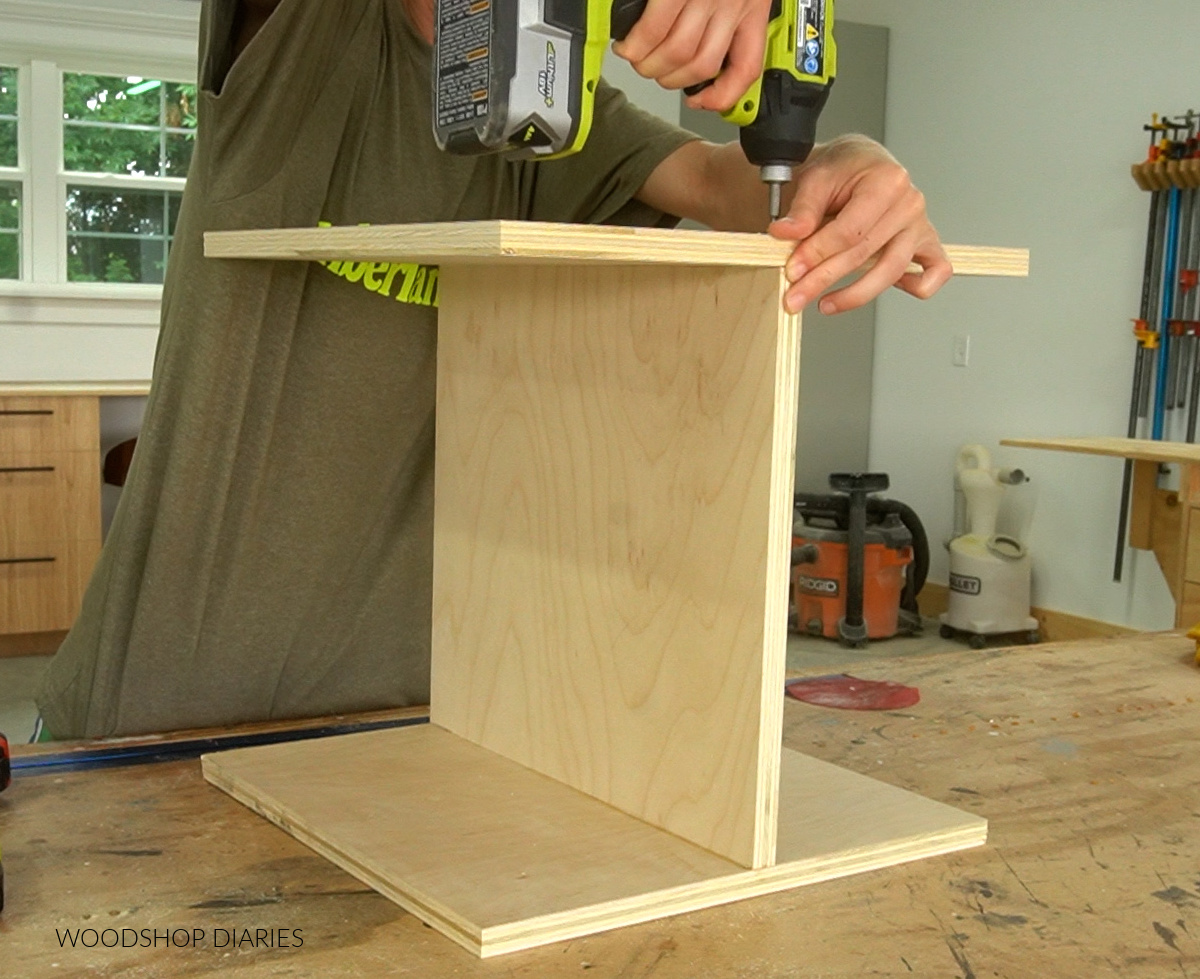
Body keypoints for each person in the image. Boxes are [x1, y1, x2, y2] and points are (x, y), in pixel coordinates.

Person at [36, 0, 949, 739]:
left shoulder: (546, 112)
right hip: (150, 722)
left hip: (412, 727)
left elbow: (730, 187)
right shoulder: (294, 30)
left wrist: (849, 166)